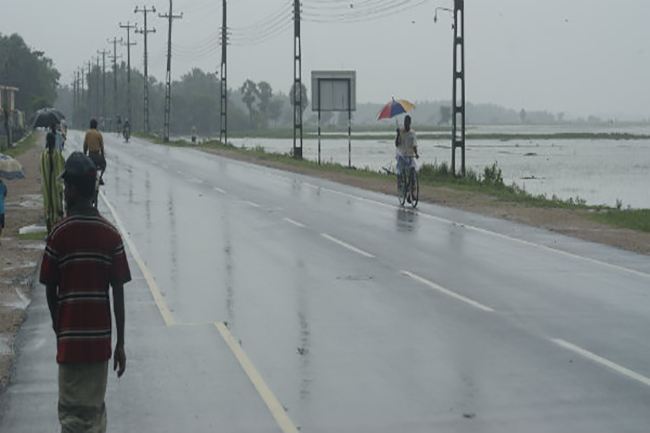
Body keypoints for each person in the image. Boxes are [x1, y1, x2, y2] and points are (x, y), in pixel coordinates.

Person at [40, 151, 131, 433]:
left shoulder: (59, 234)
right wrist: (120, 344)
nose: (63, 192)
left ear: (75, 191)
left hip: (69, 344)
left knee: (70, 416)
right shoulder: (111, 235)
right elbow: (118, 294)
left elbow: (48, 288)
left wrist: (59, 325)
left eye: (66, 187)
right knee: (93, 414)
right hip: (99, 345)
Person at [40, 132, 65, 233]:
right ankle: (57, 231)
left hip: (46, 189)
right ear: (54, 142)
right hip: (56, 189)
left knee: (48, 209)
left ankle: (49, 231)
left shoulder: (43, 156)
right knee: (57, 210)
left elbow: (41, 171)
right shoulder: (58, 155)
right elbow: (63, 169)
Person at [395, 115, 419, 201]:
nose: (406, 124)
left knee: (413, 172)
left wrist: (416, 153)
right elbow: (396, 144)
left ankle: (411, 193)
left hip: (410, 154)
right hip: (402, 154)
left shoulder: (412, 133)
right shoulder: (400, 131)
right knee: (401, 170)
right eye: (405, 122)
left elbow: (414, 145)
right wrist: (398, 135)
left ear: (410, 123)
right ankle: (401, 184)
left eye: (407, 123)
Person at [83, 118, 106, 184]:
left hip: (90, 156)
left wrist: (84, 154)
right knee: (104, 164)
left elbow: (85, 146)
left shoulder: (88, 133)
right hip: (97, 156)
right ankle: (101, 177)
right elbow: (102, 147)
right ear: (96, 126)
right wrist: (102, 156)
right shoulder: (99, 134)